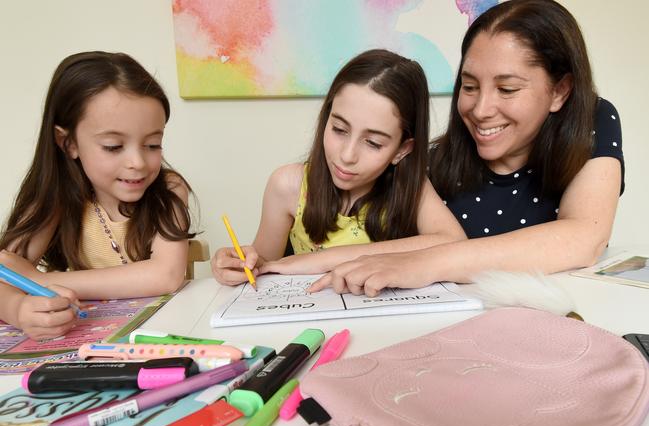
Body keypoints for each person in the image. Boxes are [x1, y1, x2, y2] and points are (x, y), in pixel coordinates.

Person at [309, 0, 624, 297]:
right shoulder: (428, 165)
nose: (481, 109)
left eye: (507, 89)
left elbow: (584, 237)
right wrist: (270, 258)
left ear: (559, 90)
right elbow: (331, 216)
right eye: (469, 86)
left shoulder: (594, 120)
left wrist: (426, 263)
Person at [211, 49, 466, 286]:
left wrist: (321, 260)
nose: (347, 155)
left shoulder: (414, 189)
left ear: (402, 150)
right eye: (339, 129)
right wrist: (237, 266)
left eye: (373, 143)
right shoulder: (288, 185)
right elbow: (265, 267)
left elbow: (454, 244)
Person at [0, 51, 194, 339]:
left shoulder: (168, 188)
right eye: (114, 146)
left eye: (153, 144)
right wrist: (17, 308)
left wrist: (41, 279)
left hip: (167, 334)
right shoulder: (57, 197)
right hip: (89, 343)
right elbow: (6, 273)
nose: (138, 162)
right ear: (68, 144)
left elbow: (165, 275)